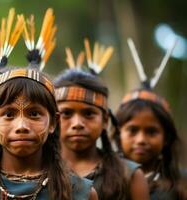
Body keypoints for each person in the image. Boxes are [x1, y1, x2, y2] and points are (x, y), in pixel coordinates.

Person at [0, 8, 98, 200]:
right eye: (9, 114)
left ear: (53, 122)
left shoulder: (80, 193)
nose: (22, 126)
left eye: (34, 114)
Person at [54, 39, 150, 200]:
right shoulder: (36, 171)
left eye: (89, 114)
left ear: (105, 120)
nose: (77, 124)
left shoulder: (130, 175)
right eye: (67, 113)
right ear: (53, 119)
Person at [113, 38, 187, 199]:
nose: (141, 140)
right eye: (132, 130)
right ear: (118, 133)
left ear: (166, 137)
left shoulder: (180, 184)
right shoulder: (105, 181)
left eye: (151, 132)